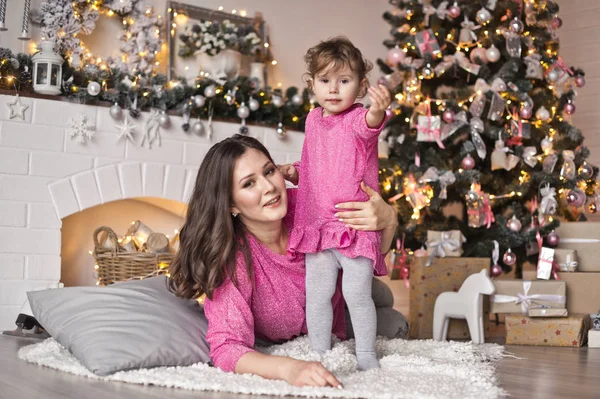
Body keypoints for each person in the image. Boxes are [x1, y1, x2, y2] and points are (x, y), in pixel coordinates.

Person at [169, 134, 402, 388]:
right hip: (325, 313)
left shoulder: (311, 205)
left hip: (342, 285)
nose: (269, 187)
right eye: (249, 184)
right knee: (394, 323)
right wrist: (289, 368)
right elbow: (226, 349)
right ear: (230, 205)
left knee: (380, 296)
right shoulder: (232, 259)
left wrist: (389, 222)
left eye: (269, 171)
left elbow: (370, 249)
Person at [278, 37, 391, 371]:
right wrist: (296, 172)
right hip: (316, 226)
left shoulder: (357, 119)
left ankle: (367, 356)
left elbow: (370, 126)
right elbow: (317, 163)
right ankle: (320, 353)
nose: (334, 89)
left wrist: (377, 110)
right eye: (325, 81)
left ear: (360, 87)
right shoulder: (313, 119)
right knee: (318, 294)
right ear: (312, 84)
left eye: (344, 81)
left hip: (352, 226)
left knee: (357, 295)